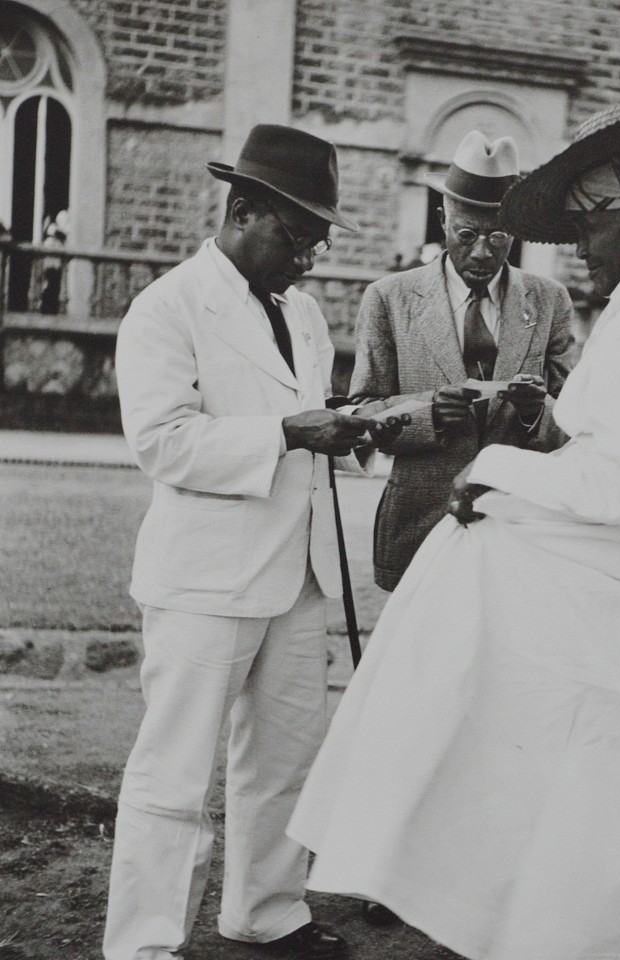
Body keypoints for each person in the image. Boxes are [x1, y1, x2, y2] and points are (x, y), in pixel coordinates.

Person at [289, 102, 620, 960]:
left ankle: (476, 877)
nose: (578, 249)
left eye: (591, 227)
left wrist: (489, 473)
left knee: (502, 694)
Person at [105, 125, 404, 960]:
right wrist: (287, 431)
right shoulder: (166, 307)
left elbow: (306, 425)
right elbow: (161, 442)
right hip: (206, 579)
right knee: (174, 773)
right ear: (242, 212)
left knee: (283, 760)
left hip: (298, 574)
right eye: (298, 233)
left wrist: (346, 430)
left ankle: (264, 913)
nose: (310, 254)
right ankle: (143, 943)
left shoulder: (303, 315)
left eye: (318, 236)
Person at [347, 129, 577, 590]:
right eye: (466, 234)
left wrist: (537, 413)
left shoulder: (550, 301)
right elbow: (361, 415)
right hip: (419, 525)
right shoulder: (389, 299)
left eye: (498, 237)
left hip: (518, 528)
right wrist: (425, 413)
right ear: (442, 220)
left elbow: (578, 425)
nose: (481, 253)